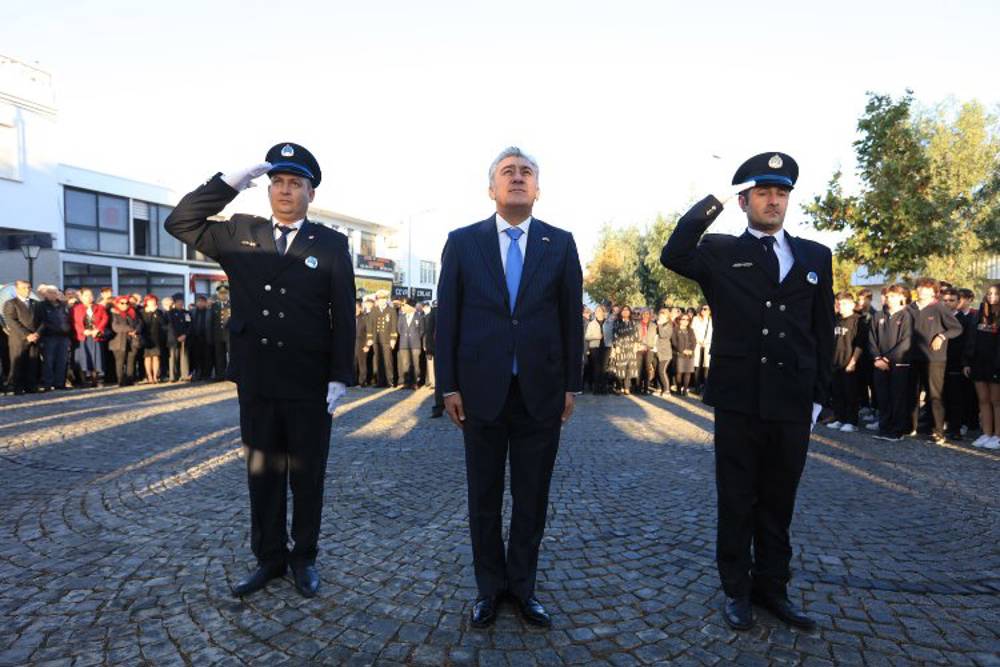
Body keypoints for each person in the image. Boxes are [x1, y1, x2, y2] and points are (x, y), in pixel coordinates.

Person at [164, 142, 355, 599]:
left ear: (311, 193)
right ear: (268, 189)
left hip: (309, 382)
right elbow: (180, 222)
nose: (286, 191)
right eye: (278, 183)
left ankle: (303, 557)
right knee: (262, 473)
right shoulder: (239, 231)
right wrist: (227, 183)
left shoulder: (330, 243)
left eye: (296, 184)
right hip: (258, 377)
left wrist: (339, 374)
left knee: (307, 476)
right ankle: (269, 558)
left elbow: (344, 313)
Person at [661, 152, 833, 632]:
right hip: (740, 398)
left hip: (793, 401)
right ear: (745, 201)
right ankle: (736, 590)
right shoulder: (717, 251)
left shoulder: (815, 255)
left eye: (781, 193)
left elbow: (821, 329)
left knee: (780, 501)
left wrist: (819, 396)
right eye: (763, 193)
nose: (774, 201)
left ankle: (772, 588)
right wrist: (715, 196)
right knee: (737, 499)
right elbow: (673, 253)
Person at [435, 146, 583, 629]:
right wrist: (449, 386)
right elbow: (449, 319)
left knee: (531, 497)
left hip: (540, 394)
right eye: (508, 172)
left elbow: (569, 321)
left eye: (526, 172)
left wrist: (571, 386)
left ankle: (522, 588)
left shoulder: (559, 244)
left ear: (538, 189)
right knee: (483, 497)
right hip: (479, 393)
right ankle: (488, 589)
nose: (517, 178)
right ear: (492, 188)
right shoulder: (462, 242)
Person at [907, 278, 963, 444]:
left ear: (933, 292)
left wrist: (941, 336)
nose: (922, 291)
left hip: (934, 359)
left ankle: (938, 431)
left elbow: (956, 328)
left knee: (935, 396)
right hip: (912, 356)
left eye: (927, 289)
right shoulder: (910, 308)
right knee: (912, 394)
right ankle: (912, 427)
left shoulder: (939, 308)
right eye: (920, 288)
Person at [868, 284, 914, 441]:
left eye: (893, 296)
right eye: (887, 296)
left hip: (899, 364)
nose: (889, 299)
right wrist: (877, 358)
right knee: (883, 397)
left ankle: (897, 430)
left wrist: (887, 358)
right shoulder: (878, 315)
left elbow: (906, 341)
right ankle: (884, 427)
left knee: (898, 397)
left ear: (902, 297)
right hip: (879, 364)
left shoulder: (907, 315)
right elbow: (872, 339)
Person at [963, 285, 1000, 449]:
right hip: (979, 364)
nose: (992, 296)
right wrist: (967, 362)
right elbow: (971, 340)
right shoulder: (980, 315)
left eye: (996, 293)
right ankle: (987, 433)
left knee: (996, 401)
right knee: (983, 400)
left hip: (996, 365)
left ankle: (998, 436)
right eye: (989, 293)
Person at [827, 292, 864, 432]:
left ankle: (851, 422)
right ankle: (839, 418)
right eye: (838, 303)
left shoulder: (858, 321)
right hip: (835, 363)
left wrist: (853, 362)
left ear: (851, 304)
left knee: (850, 393)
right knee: (837, 393)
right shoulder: (835, 319)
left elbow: (860, 344)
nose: (840, 306)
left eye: (843, 303)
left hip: (849, 363)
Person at [3, 280, 42, 394]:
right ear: (17, 289)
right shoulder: (11, 303)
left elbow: (43, 320)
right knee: (18, 363)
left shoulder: (36, 303)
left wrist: (37, 333)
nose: (27, 290)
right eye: (24, 288)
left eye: (29, 287)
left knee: (33, 362)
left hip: (34, 338)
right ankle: (17, 387)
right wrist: (27, 334)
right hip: (19, 339)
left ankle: (31, 386)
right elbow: (12, 321)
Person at [71, 288, 107, 387]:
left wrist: (98, 329)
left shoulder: (100, 307)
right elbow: (74, 322)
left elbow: (104, 318)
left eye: (91, 295)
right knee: (85, 357)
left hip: (96, 335)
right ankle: (87, 379)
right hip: (83, 336)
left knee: (98, 357)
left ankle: (99, 378)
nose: (89, 297)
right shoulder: (76, 308)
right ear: (81, 297)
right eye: (86, 295)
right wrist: (83, 331)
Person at [38, 286, 72, 391]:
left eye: (55, 293)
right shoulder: (41, 306)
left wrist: (68, 330)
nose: (53, 295)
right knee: (48, 361)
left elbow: (69, 319)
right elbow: (41, 321)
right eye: (51, 293)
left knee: (62, 360)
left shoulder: (63, 305)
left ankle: (60, 383)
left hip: (64, 337)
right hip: (49, 337)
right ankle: (48, 384)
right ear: (46, 294)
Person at [108, 295, 143, 387]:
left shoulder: (133, 312)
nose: (125, 305)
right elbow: (115, 327)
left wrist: (136, 330)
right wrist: (130, 329)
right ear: (118, 304)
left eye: (127, 303)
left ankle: (130, 379)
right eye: (122, 303)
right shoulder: (114, 313)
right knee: (120, 361)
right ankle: (120, 380)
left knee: (131, 360)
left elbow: (140, 323)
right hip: (119, 341)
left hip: (133, 340)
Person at [610, 305, 639, 395]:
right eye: (623, 310)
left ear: (630, 312)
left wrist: (636, 345)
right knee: (620, 367)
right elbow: (614, 334)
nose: (625, 312)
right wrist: (617, 346)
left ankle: (626, 387)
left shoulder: (633, 322)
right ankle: (619, 387)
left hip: (631, 347)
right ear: (621, 312)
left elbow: (636, 334)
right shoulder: (617, 322)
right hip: (620, 347)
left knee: (629, 368)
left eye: (627, 310)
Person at [396, 297, 423, 389]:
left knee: (415, 364)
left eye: (406, 306)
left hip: (415, 344)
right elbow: (399, 329)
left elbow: (422, 330)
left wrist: (414, 337)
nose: (404, 307)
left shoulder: (419, 317)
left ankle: (415, 383)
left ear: (411, 307)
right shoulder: (402, 317)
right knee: (405, 364)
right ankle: (406, 383)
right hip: (404, 344)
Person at [140, 295, 166, 384]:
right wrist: (150, 313)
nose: (152, 303)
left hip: (156, 337)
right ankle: (149, 376)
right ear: (146, 302)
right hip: (146, 337)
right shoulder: (142, 312)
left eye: (154, 301)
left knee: (156, 357)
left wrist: (155, 313)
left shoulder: (159, 312)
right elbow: (144, 324)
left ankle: (155, 376)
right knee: (147, 357)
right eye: (150, 301)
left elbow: (163, 323)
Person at [165, 294, 191, 382]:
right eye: (178, 302)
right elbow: (171, 326)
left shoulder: (186, 313)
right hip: (173, 338)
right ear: (175, 303)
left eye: (182, 302)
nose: (180, 304)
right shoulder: (170, 313)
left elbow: (189, 325)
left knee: (184, 357)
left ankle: (184, 374)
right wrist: (177, 336)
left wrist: (185, 335)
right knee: (173, 358)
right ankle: (173, 376)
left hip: (184, 338)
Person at [585, 304, 609, 394]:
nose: (598, 312)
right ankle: (596, 388)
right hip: (595, 347)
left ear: (603, 312)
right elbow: (587, 336)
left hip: (606, 347)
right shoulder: (591, 324)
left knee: (604, 367)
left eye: (600, 311)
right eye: (597, 311)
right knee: (596, 367)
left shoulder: (608, 323)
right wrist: (597, 336)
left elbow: (612, 336)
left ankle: (603, 388)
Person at [671, 312, 697, 396]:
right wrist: (682, 351)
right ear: (679, 320)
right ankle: (678, 389)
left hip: (689, 354)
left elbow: (694, 342)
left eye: (687, 319)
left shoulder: (691, 330)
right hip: (679, 354)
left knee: (688, 372)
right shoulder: (675, 330)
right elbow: (674, 342)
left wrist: (691, 350)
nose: (685, 321)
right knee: (679, 372)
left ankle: (685, 390)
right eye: (683, 319)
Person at [211, 284, 232, 381]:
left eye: (225, 293)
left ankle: (232, 374)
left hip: (229, 334)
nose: (223, 295)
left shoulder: (232, 304)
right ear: (218, 295)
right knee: (219, 355)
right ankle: (220, 374)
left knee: (231, 355)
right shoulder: (215, 306)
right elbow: (211, 321)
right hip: (218, 334)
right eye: (221, 294)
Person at [692, 304, 713, 394]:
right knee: (697, 366)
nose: (704, 311)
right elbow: (693, 331)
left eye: (706, 309)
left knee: (706, 366)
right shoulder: (696, 319)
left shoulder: (710, 320)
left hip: (707, 345)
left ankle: (705, 387)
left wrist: (705, 342)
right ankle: (696, 387)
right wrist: (699, 341)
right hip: (697, 344)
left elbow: (711, 333)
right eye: (703, 309)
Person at [636, 309, 658, 395]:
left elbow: (655, 338)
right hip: (639, 348)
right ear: (641, 315)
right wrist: (639, 345)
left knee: (647, 369)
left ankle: (646, 388)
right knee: (639, 369)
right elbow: (634, 336)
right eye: (644, 314)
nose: (645, 315)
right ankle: (638, 387)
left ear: (650, 315)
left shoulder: (653, 325)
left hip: (649, 349)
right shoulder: (637, 325)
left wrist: (650, 346)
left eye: (647, 314)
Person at [654, 308, 673, 396]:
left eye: (663, 316)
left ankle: (667, 390)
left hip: (665, 353)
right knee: (657, 370)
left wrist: (660, 325)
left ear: (667, 317)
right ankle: (659, 388)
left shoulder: (669, 325)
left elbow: (663, 335)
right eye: (660, 316)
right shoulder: (658, 324)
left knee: (662, 371)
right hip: (657, 352)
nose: (661, 318)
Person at [354, 300, 371, 387]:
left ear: (360, 308)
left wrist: (367, 345)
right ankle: (353, 381)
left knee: (362, 364)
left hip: (362, 344)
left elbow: (369, 332)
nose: (355, 310)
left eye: (356, 308)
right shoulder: (350, 318)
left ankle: (362, 382)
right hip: (352, 345)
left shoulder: (364, 318)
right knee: (353, 364)